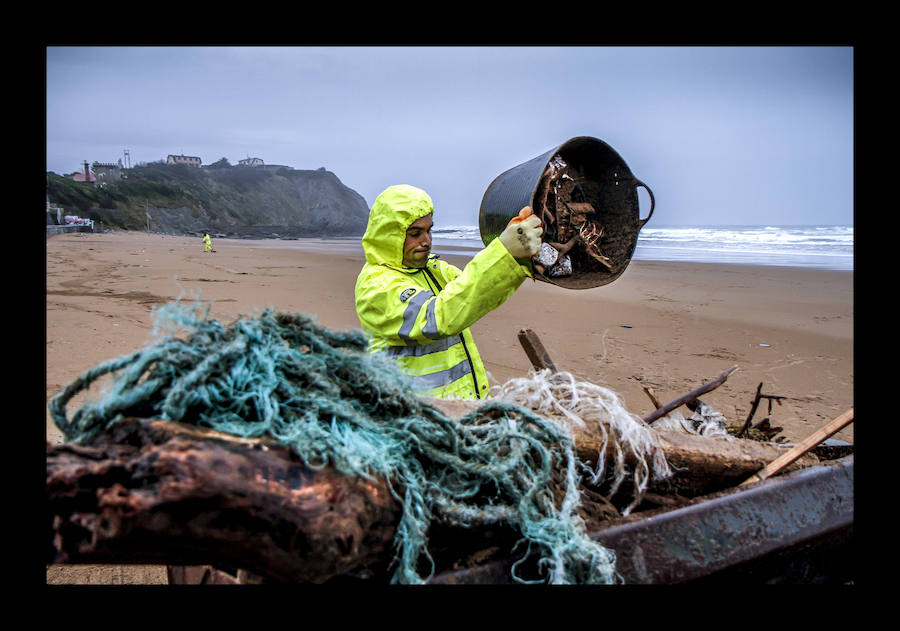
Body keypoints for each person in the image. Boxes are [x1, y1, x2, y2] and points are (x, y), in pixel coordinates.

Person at [354, 184, 542, 400]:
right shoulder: (376, 285)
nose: (426, 241)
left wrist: (518, 258)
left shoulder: (433, 270)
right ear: (389, 236)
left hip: (462, 408)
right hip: (418, 415)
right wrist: (503, 252)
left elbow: (477, 291)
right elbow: (439, 317)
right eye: (415, 233)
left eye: (428, 230)